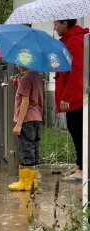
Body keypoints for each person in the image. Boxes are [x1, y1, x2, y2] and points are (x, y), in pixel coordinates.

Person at [53, 19, 89, 181]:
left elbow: (77, 70)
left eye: (56, 24)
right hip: (75, 95)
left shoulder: (74, 40)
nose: (54, 27)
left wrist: (66, 96)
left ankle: (82, 169)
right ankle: (79, 166)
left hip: (75, 97)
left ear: (65, 24)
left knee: (77, 130)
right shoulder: (71, 40)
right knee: (75, 130)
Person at [8, 66, 43, 191]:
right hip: (37, 119)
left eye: (19, 62)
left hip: (27, 120)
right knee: (34, 150)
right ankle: (33, 181)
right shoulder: (37, 76)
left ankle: (25, 183)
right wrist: (20, 85)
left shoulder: (26, 79)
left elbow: (25, 102)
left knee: (26, 150)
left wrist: (18, 124)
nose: (17, 65)